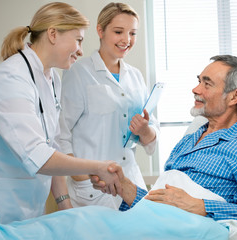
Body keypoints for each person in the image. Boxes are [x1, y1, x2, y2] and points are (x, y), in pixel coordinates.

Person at [0, 2, 123, 224]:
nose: (81, 50)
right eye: (78, 39)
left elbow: (52, 146)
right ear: (52, 34)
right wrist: (96, 166)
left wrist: (64, 206)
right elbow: (39, 157)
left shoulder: (51, 79)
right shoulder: (9, 80)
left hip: (31, 207)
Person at [92, 55, 237, 226]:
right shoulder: (188, 141)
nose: (195, 89)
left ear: (234, 96)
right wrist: (124, 187)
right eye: (199, 81)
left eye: (207, 84)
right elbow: (162, 203)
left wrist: (199, 205)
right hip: (158, 224)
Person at [58, 2, 160, 209]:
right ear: (100, 30)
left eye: (133, 33)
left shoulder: (135, 76)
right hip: (94, 188)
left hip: (131, 181)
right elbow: (61, 134)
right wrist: (81, 179)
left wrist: (144, 129)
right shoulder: (78, 72)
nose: (127, 40)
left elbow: (150, 141)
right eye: (118, 32)